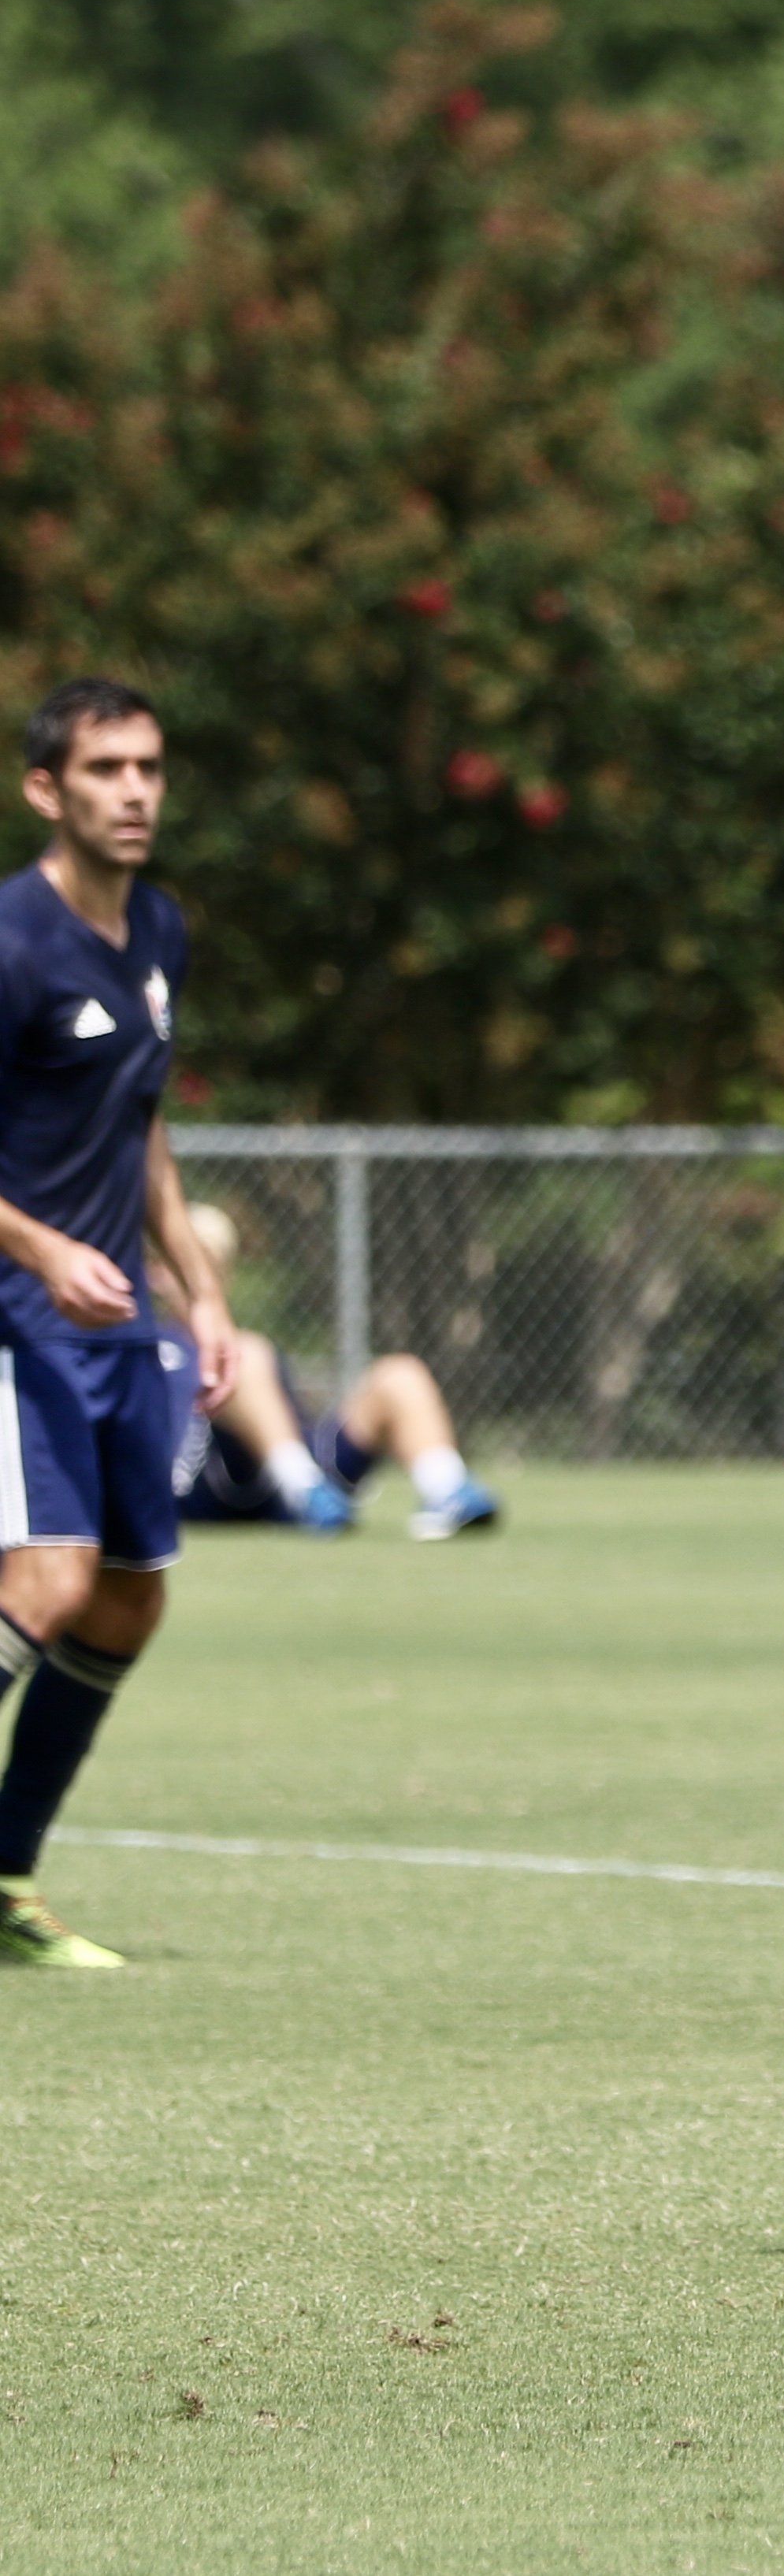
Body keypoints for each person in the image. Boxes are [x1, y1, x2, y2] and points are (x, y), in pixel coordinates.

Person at [0, 679, 238, 1969]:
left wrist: (204, 1293)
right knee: (48, 1579)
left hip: (119, 1319)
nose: (135, 790)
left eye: (149, 765)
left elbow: (141, 1121)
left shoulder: (160, 930)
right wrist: (42, 1247)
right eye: (105, 769)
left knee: (128, 1602)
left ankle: (4, 1876)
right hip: (11, 1308)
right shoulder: (10, 943)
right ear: (49, 789)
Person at [158, 1206, 500, 1540]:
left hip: (300, 1481)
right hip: (197, 1487)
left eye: (211, 1263)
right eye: (184, 1263)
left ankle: (447, 1488)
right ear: (155, 1271)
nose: (198, 1276)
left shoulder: (244, 1344)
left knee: (400, 1373)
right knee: (238, 1353)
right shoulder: (147, 1342)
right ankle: (304, 1490)